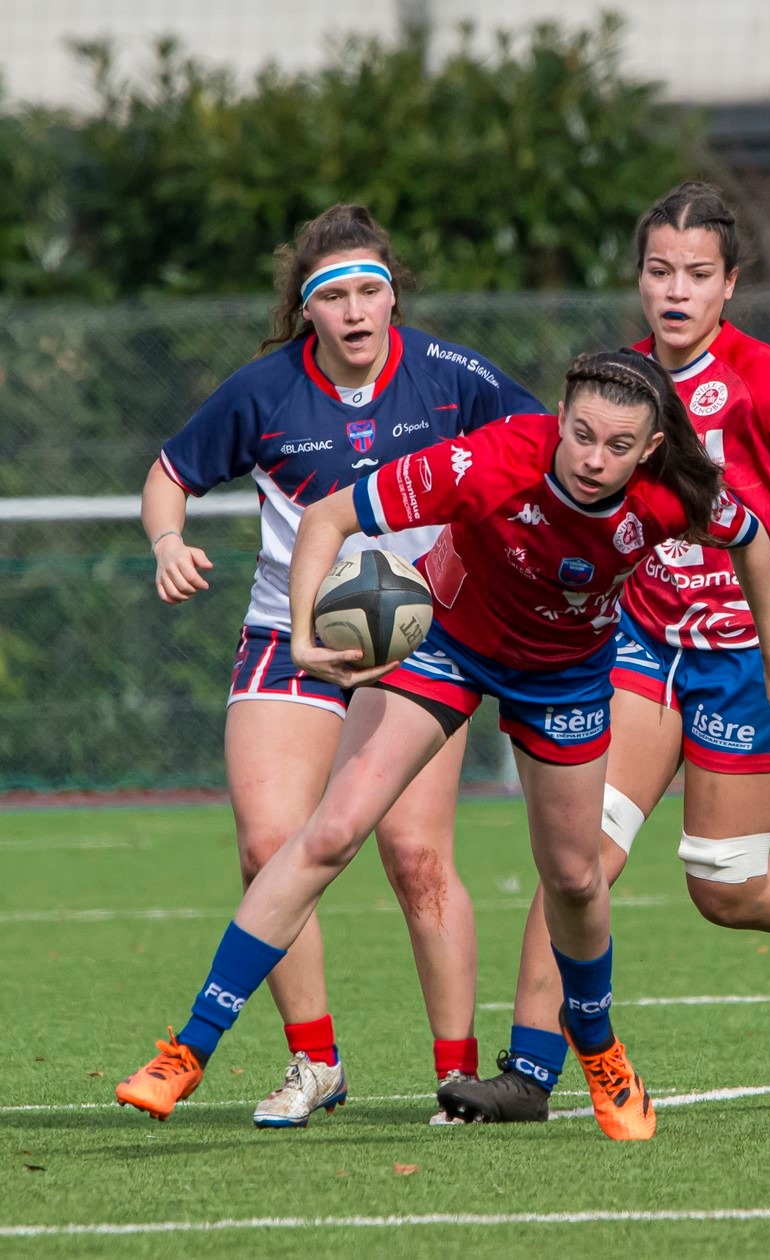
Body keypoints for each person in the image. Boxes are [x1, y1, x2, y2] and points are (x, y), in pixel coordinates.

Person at [117, 350, 770, 1142]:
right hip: (445, 646)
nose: (593, 459)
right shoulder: (490, 460)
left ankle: (598, 1050)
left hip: (564, 678)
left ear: (651, 450)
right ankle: (190, 1047)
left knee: (573, 877)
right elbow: (328, 515)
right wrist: (300, 629)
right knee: (330, 833)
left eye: (617, 446)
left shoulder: (672, 497)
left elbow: (755, 542)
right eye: (581, 435)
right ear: (559, 421)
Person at [437, 182, 770, 1124]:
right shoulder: (619, 388)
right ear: (639, 280)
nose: (676, 290)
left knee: (725, 884)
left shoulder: (758, 377)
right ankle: (531, 1072)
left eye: (697, 275)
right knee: (577, 859)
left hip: (760, 652)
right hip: (638, 649)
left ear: (730, 285)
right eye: (659, 271)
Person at [139, 204, 544, 1127]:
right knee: (267, 845)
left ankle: (458, 1076)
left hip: (424, 646)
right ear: (307, 308)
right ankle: (314, 1064)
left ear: (393, 295)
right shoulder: (263, 390)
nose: (358, 311)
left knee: (415, 855)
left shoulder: (450, 377)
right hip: (290, 636)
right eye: (336, 296)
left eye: (372, 290)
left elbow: (545, 450)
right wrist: (168, 540)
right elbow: (170, 473)